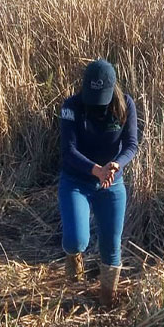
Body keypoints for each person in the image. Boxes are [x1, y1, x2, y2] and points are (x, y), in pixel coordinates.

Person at [58, 58, 140, 307]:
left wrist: (116, 165)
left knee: (111, 246)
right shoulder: (70, 106)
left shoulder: (125, 104)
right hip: (76, 180)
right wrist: (96, 170)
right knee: (76, 240)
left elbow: (131, 144)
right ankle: (74, 273)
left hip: (111, 182)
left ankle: (107, 299)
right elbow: (68, 150)